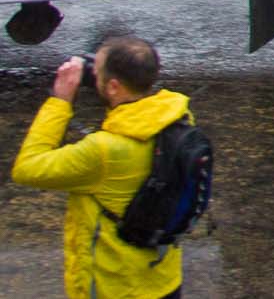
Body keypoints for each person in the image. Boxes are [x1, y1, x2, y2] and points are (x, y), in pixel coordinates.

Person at [10, 35, 194, 299]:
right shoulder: (180, 118)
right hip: (164, 280)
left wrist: (60, 101)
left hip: (115, 288)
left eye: (95, 72)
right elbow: (134, 118)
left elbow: (27, 167)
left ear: (114, 86)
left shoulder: (103, 151)